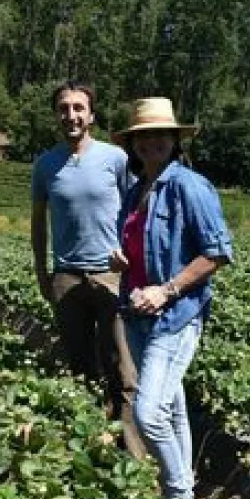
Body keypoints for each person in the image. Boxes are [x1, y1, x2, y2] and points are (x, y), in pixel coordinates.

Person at [109, 97, 233, 499]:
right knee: (173, 407)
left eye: (160, 134)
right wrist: (119, 258)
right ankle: (186, 495)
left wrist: (167, 289)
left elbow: (217, 252)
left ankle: (178, 496)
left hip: (174, 317)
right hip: (138, 314)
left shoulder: (189, 186)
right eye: (143, 136)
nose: (151, 142)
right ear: (133, 143)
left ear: (175, 139)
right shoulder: (135, 189)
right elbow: (135, 242)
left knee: (148, 413)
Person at [30, 81, 145, 457]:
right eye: (64, 108)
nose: (71, 115)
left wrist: (134, 257)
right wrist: (41, 273)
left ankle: (133, 456)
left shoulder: (115, 158)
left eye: (78, 108)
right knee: (79, 367)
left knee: (123, 368)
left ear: (91, 115)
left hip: (112, 275)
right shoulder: (45, 164)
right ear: (57, 115)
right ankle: (91, 445)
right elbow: (37, 222)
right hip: (67, 276)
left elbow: (136, 209)